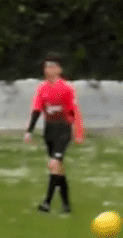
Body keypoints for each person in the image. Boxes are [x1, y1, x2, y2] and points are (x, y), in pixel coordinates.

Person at [24, 52, 84, 214]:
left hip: (63, 129)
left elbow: (74, 111)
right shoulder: (42, 88)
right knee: (58, 170)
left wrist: (78, 133)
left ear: (59, 69)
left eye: (52, 66)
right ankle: (66, 205)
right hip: (49, 130)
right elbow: (36, 110)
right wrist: (29, 131)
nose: (48, 70)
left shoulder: (66, 88)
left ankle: (46, 203)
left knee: (54, 164)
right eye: (46, 67)